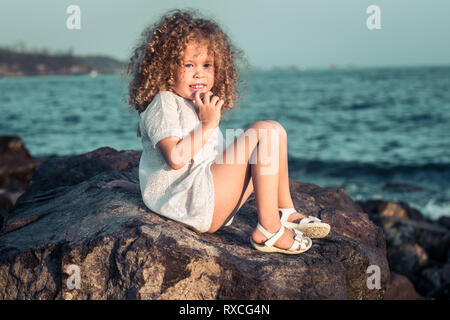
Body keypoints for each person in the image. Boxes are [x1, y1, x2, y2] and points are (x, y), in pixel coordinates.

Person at [105, 9, 330, 254]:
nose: (199, 72)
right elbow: (175, 159)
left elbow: (182, 163)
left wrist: (140, 187)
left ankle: (284, 211)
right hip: (195, 204)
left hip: (205, 199)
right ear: (165, 70)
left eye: (206, 65)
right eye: (189, 64)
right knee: (262, 131)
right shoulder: (164, 103)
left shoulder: (195, 103)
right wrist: (208, 125)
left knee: (275, 131)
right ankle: (268, 230)